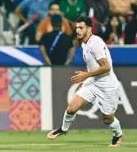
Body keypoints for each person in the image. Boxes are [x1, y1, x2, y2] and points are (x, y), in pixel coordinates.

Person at [47, 16, 123, 147]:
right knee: (71, 108)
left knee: (107, 119)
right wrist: (88, 78)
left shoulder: (95, 44)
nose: (78, 30)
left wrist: (85, 75)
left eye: (81, 28)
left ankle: (118, 134)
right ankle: (63, 129)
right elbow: (93, 66)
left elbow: (106, 68)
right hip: (93, 82)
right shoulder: (84, 43)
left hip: (107, 86)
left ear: (89, 28)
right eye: (76, 27)